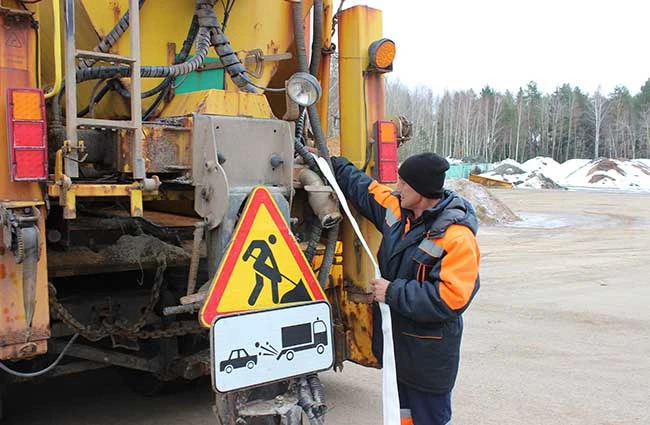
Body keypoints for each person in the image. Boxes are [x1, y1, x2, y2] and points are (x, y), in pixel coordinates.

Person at [331, 152, 480, 425]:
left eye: (403, 184)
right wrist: (333, 163)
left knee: (428, 419)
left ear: (421, 193)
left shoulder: (457, 237)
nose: (396, 189)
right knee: (402, 417)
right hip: (399, 351)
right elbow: (365, 189)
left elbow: (449, 299)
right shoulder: (398, 210)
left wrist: (392, 292)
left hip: (428, 359)